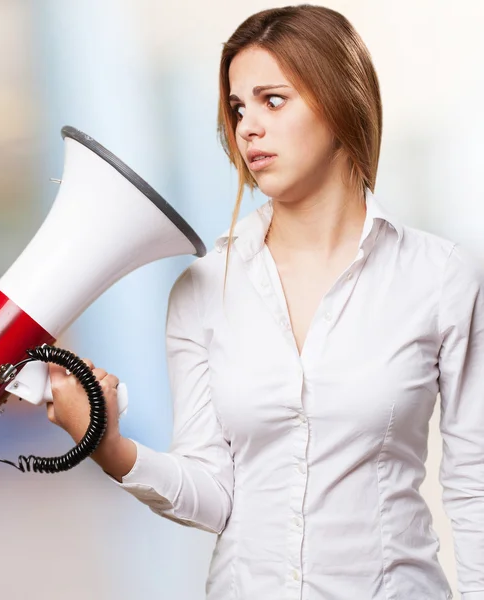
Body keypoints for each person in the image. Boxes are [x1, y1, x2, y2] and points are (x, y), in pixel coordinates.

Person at [47, 5, 484, 599]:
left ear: (340, 99)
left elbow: (474, 482)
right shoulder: (203, 289)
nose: (248, 126)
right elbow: (213, 494)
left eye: (273, 100)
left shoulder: (441, 277)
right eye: (237, 107)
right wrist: (109, 446)